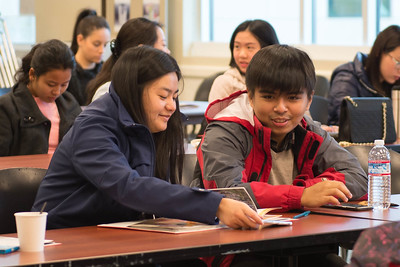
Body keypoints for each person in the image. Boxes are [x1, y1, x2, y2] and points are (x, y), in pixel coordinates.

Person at [32, 46, 262, 232]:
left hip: (120, 232)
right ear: (134, 90)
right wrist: (215, 205)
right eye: (163, 96)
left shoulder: (147, 123)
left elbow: (156, 189)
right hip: (65, 238)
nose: (172, 106)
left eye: (174, 96)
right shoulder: (93, 126)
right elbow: (128, 186)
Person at [0, 39, 81, 156]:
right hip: (22, 173)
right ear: (32, 74)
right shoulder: (7, 107)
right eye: (51, 84)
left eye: (64, 84)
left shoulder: (70, 104)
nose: (57, 91)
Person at [327, 25, 400, 126]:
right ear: (379, 52)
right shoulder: (346, 78)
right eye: (398, 61)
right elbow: (349, 121)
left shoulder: (393, 84)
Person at [86, 17, 170, 104]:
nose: (168, 52)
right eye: (163, 45)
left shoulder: (150, 86)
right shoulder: (108, 93)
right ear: (142, 50)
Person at [208, 19, 279, 103]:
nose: (242, 55)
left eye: (249, 47)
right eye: (237, 46)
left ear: (267, 49)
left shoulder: (281, 80)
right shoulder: (224, 83)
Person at [67, 9, 111, 105]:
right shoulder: (67, 73)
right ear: (80, 39)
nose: (102, 50)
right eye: (96, 44)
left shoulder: (107, 71)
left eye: (105, 45)